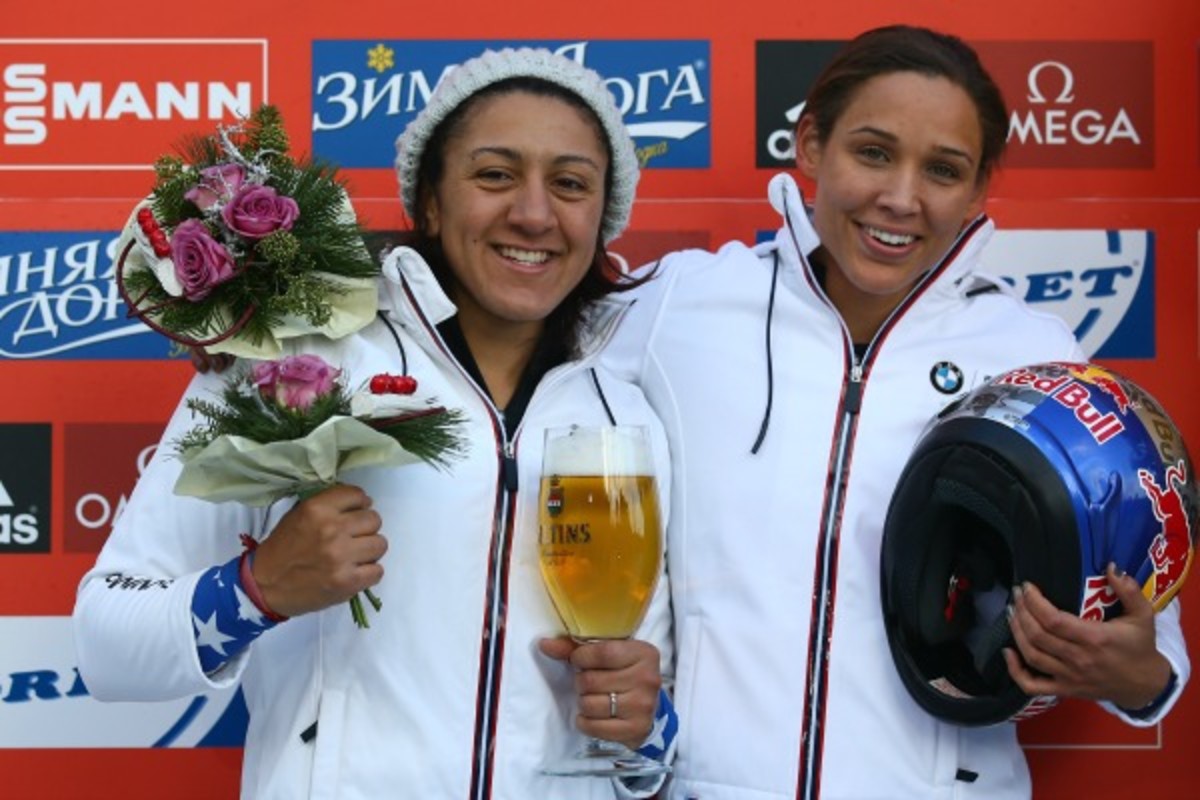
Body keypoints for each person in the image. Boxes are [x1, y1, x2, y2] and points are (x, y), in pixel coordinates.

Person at [603, 25, 1188, 799]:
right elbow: (504, 386)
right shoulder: (682, 301)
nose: (901, 198)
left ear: (978, 189)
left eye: (943, 170)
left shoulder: (1031, 351)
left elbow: (1143, 632)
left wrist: (1135, 673)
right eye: (873, 152)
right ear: (811, 145)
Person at [73, 47, 677, 799]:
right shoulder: (293, 360)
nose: (533, 212)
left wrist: (646, 727)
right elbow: (105, 645)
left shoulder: (628, 410)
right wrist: (256, 591)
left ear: (602, 218)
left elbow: (643, 752)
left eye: (571, 184)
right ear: (428, 202)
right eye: (494, 174)